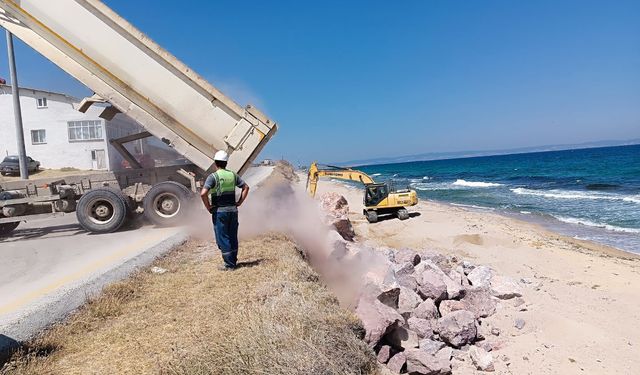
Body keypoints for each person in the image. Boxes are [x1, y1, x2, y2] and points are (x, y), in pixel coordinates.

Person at [200, 150, 250, 270]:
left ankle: (229, 265)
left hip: (219, 212)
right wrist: (239, 202)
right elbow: (246, 187)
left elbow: (203, 194)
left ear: (215, 163)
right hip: (233, 211)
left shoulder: (213, 177)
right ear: (226, 163)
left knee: (223, 237)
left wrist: (208, 207)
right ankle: (233, 260)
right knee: (232, 236)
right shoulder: (233, 175)